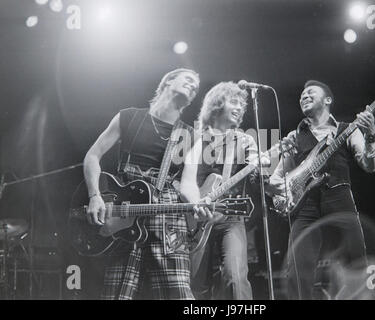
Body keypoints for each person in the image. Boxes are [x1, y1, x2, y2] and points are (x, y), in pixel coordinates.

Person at [83, 68, 201, 300]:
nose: (193, 86)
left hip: (167, 214)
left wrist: (198, 204)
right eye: (188, 80)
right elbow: (92, 156)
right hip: (123, 209)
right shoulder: (128, 116)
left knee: (178, 294)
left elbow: (188, 183)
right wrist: (94, 195)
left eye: (196, 87)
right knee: (117, 294)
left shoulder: (192, 135)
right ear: (168, 81)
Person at [267, 80, 375, 299]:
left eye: (310, 92)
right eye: (301, 95)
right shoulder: (294, 137)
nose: (304, 96)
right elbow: (277, 177)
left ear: (328, 100)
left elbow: (370, 165)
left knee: (357, 261)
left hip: (340, 197)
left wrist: (372, 134)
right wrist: (279, 192)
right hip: (305, 206)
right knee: (297, 271)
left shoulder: (347, 129)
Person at [179, 81, 261, 300]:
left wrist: (262, 168)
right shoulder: (194, 138)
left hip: (230, 217)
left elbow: (257, 170)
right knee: (194, 287)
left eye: (242, 106)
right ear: (217, 104)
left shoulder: (244, 140)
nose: (239, 108)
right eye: (234, 102)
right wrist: (196, 205)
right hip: (194, 221)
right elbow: (184, 180)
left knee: (235, 279)